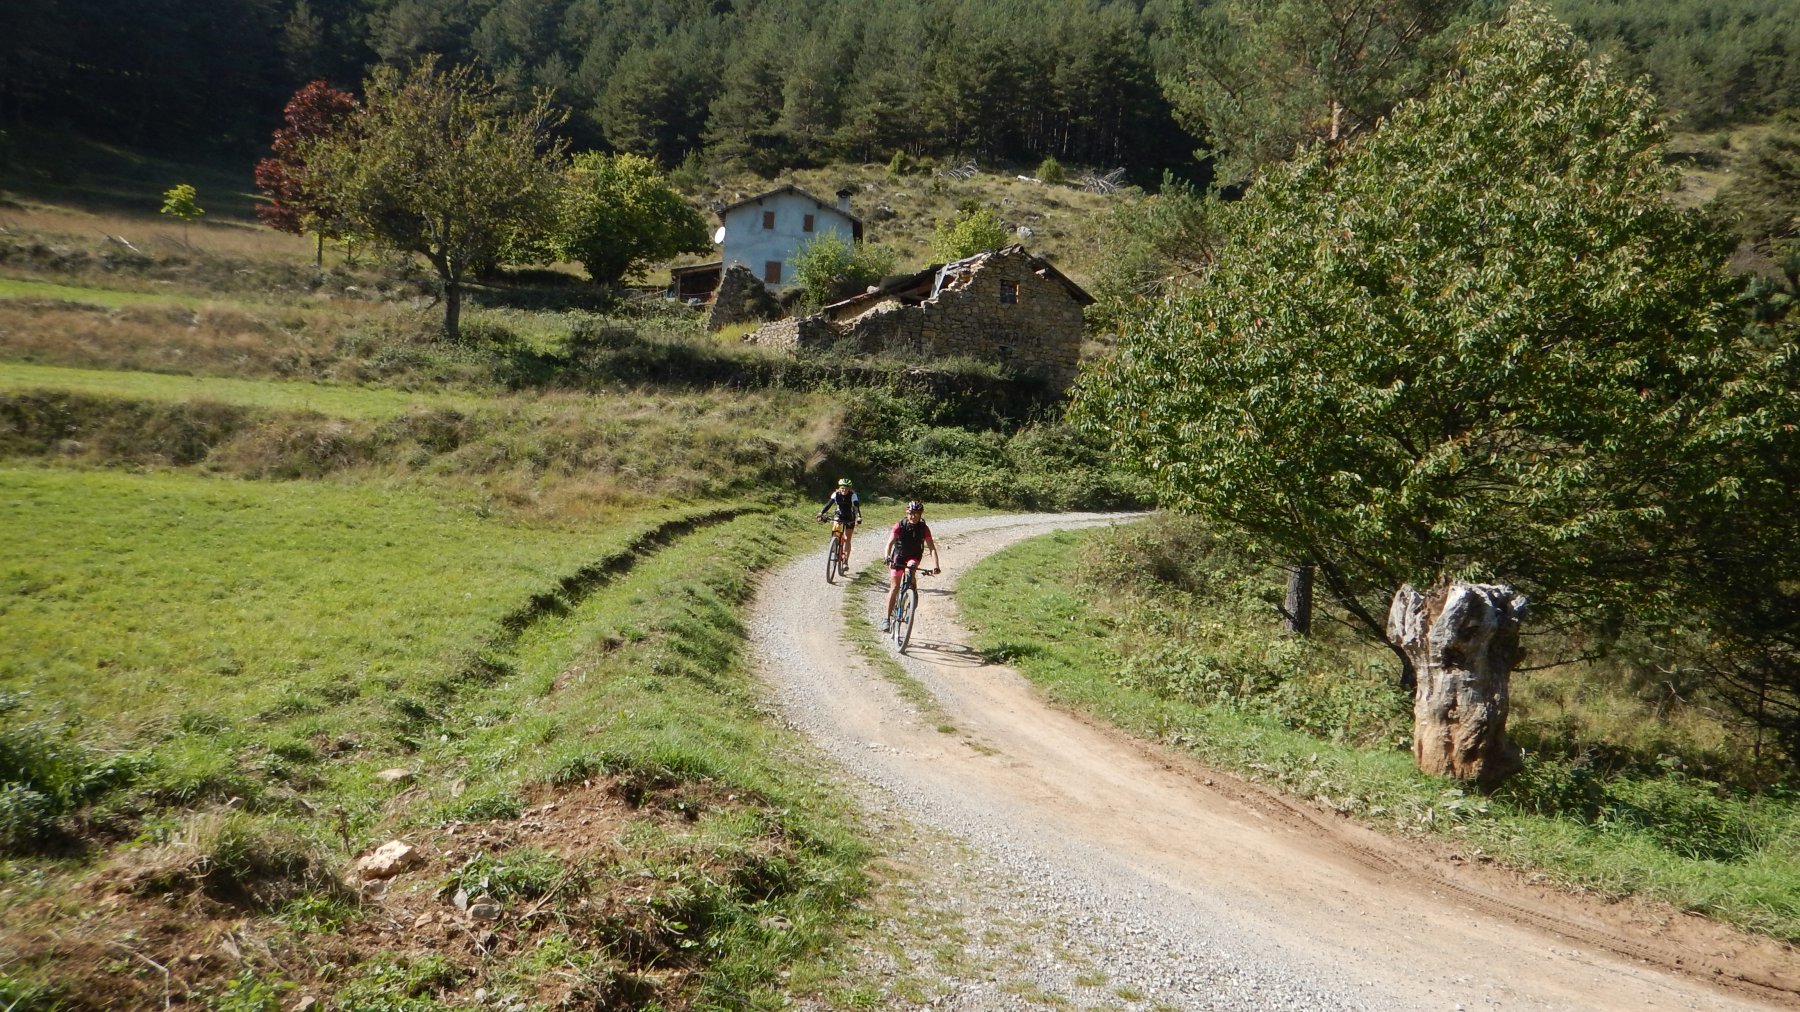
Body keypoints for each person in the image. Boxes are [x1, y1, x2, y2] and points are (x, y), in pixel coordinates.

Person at [883, 500, 940, 631]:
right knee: (895, 586)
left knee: (911, 568)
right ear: (907, 513)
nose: (912, 516)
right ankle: (886, 619)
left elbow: (932, 548)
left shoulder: (924, 528)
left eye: (916, 514)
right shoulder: (900, 525)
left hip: (914, 556)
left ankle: (912, 588)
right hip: (898, 556)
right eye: (910, 513)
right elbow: (890, 543)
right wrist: (886, 556)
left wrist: (936, 565)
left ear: (920, 515)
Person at [816, 478, 862, 565]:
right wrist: (821, 513)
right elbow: (829, 504)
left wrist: (859, 517)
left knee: (848, 539)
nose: (844, 490)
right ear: (839, 488)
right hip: (839, 514)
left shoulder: (853, 495)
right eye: (842, 488)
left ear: (850, 489)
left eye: (847, 488)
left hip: (849, 516)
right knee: (835, 525)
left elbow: (856, 507)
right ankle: (834, 543)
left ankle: (845, 561)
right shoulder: (836, 494)